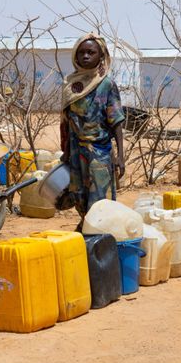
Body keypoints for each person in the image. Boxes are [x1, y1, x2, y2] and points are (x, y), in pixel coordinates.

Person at [60, 34, 125, 223]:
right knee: (79, 196)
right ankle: (87, 233)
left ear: (101, 55)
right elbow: (65, 121)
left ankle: (99, 238)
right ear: (75, 56)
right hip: (75, 152)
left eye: (91, 52)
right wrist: (65, 151)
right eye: (81, 53)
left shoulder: (106, 84)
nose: (86, 56)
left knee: (100, 200)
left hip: (99, 152)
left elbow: (117, 121)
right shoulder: (70, 84)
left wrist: (120, 156)